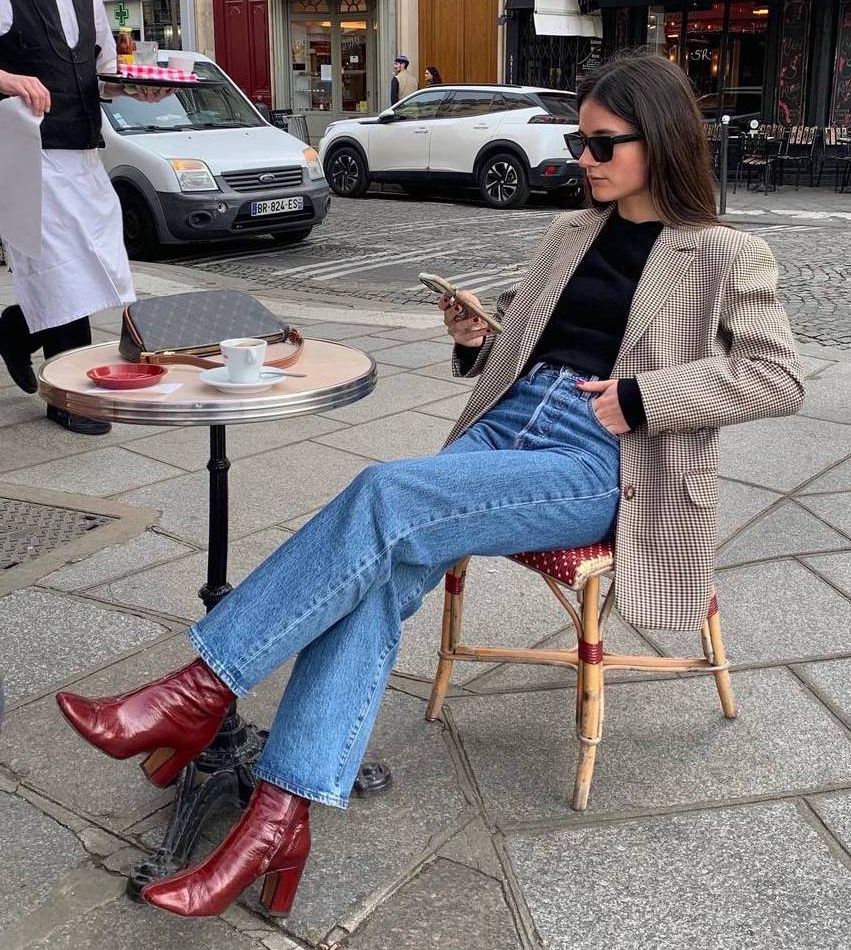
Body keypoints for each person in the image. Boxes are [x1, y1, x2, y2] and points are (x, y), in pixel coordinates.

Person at [56, 53, 803, 919]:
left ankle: (197, 690)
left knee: (384, 493)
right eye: (578, 139)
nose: (583, 157)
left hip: (604, 460)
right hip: (510, 423)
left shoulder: (724, 252)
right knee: (377, 580)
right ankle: (276, 819)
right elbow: (519, 351)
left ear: (661, 142)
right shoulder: (568, 232)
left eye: (602, 142)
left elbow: (778, 377)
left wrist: (641, 398)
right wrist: (471, 338)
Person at [0, 0, 163, 434]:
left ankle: (17, 330)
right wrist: (8, 78)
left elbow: (95, 69)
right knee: (60, 272)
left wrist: (132, 88)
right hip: (27, 155)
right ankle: (67, 397)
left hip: (82, 147)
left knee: (102, 268)